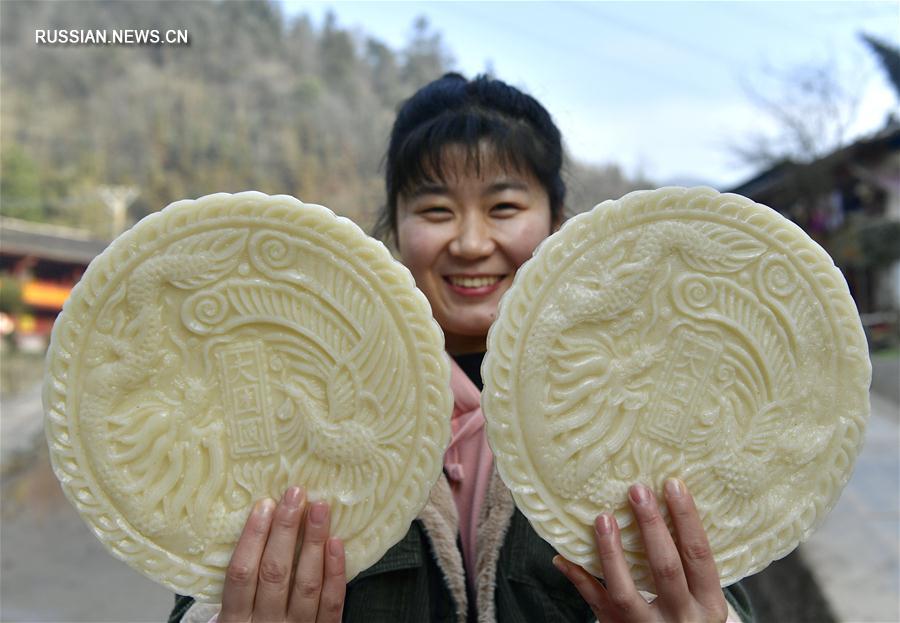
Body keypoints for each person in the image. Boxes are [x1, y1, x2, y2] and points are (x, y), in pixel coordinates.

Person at [171, 73, 753, 623]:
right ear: (395, 231)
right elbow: (197, 580)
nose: (472, 244)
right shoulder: (292, 399)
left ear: (557, 224)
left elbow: (721, 586)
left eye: (503, 207)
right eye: (436, 210)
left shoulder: (635, 406)